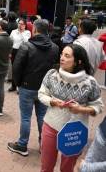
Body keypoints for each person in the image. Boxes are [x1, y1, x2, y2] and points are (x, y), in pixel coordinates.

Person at [38, 44, 103, 172]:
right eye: (62, 54)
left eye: (67, 56)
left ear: (78, 61)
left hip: (74, 132)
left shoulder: (90, 82)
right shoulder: (52, 74)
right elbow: (41, 94)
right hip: (51, 126)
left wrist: (81, 109)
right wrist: (53, 101)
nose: (62, 58)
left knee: (67, 168)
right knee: (46, 167)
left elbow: (98, 106)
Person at [7, 19, 59, 156]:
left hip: (27, 87)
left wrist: (18, 83)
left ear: (34, 30)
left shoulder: (26, 46)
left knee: (25, 117)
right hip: (45, 89)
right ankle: (44, 145)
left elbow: (17, 67)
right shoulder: (54, 48)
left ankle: (22, 145)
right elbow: (55, 69)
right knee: (42, 116)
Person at [8, 18, 31, 92]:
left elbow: (26, 41)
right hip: (14, 51)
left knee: (21, 69)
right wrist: (10, 52)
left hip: (22, 51)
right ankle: (13, 85)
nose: (20, 25)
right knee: (14, 69)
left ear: (25, 25)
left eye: (22, 24)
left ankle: (19, 86)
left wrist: (21, 32)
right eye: (19, 23)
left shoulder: (27, 32)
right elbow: (10, 42)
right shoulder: (13, 31)